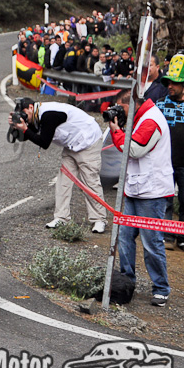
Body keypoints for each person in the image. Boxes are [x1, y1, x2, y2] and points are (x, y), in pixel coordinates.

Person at [109, 89, 173, 306]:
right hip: (136, 188)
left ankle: (161, 288)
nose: (119, 112)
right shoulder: (139, 118)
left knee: (151, 242)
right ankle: (127, 283)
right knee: (125, 238)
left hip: (152, 192)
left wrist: (116, 132)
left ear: (131, 104)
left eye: (121, 108)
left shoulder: (150, 120)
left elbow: (135, 149)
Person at [9, 98, 107, 233]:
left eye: (24, 113)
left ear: (31, 107)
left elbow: (44, 142)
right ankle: (61, 217)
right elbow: (26, 136)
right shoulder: (36, 115)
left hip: (88, 141)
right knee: (63, 182)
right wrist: (15, 127)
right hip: (71, 144)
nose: (24, 116)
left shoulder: (49, 115)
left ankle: (99, 219)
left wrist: (25, 129)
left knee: (90, 182)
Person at [155, 53, 184, 251]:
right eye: (168, 82)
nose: (170, 86)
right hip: (164, 162)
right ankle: (167, 236)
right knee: (166, 201)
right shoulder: (160, 103)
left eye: (175, 83)